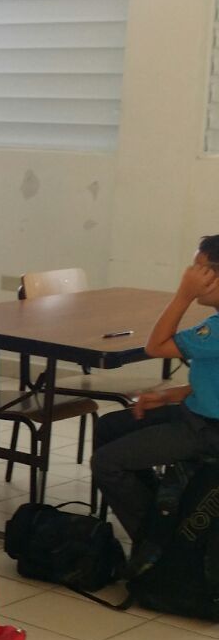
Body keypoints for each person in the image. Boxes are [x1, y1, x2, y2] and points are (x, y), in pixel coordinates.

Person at [92, 236, 219, 574]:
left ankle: (157, 549)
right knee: (110, 426)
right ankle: (160, 519)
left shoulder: (216, 330)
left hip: (208, 430)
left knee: (106, 463)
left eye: (198, 269)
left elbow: (156, 346)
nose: (190, 274)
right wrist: (167, 395)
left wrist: (184, 295)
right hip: (198, 413)